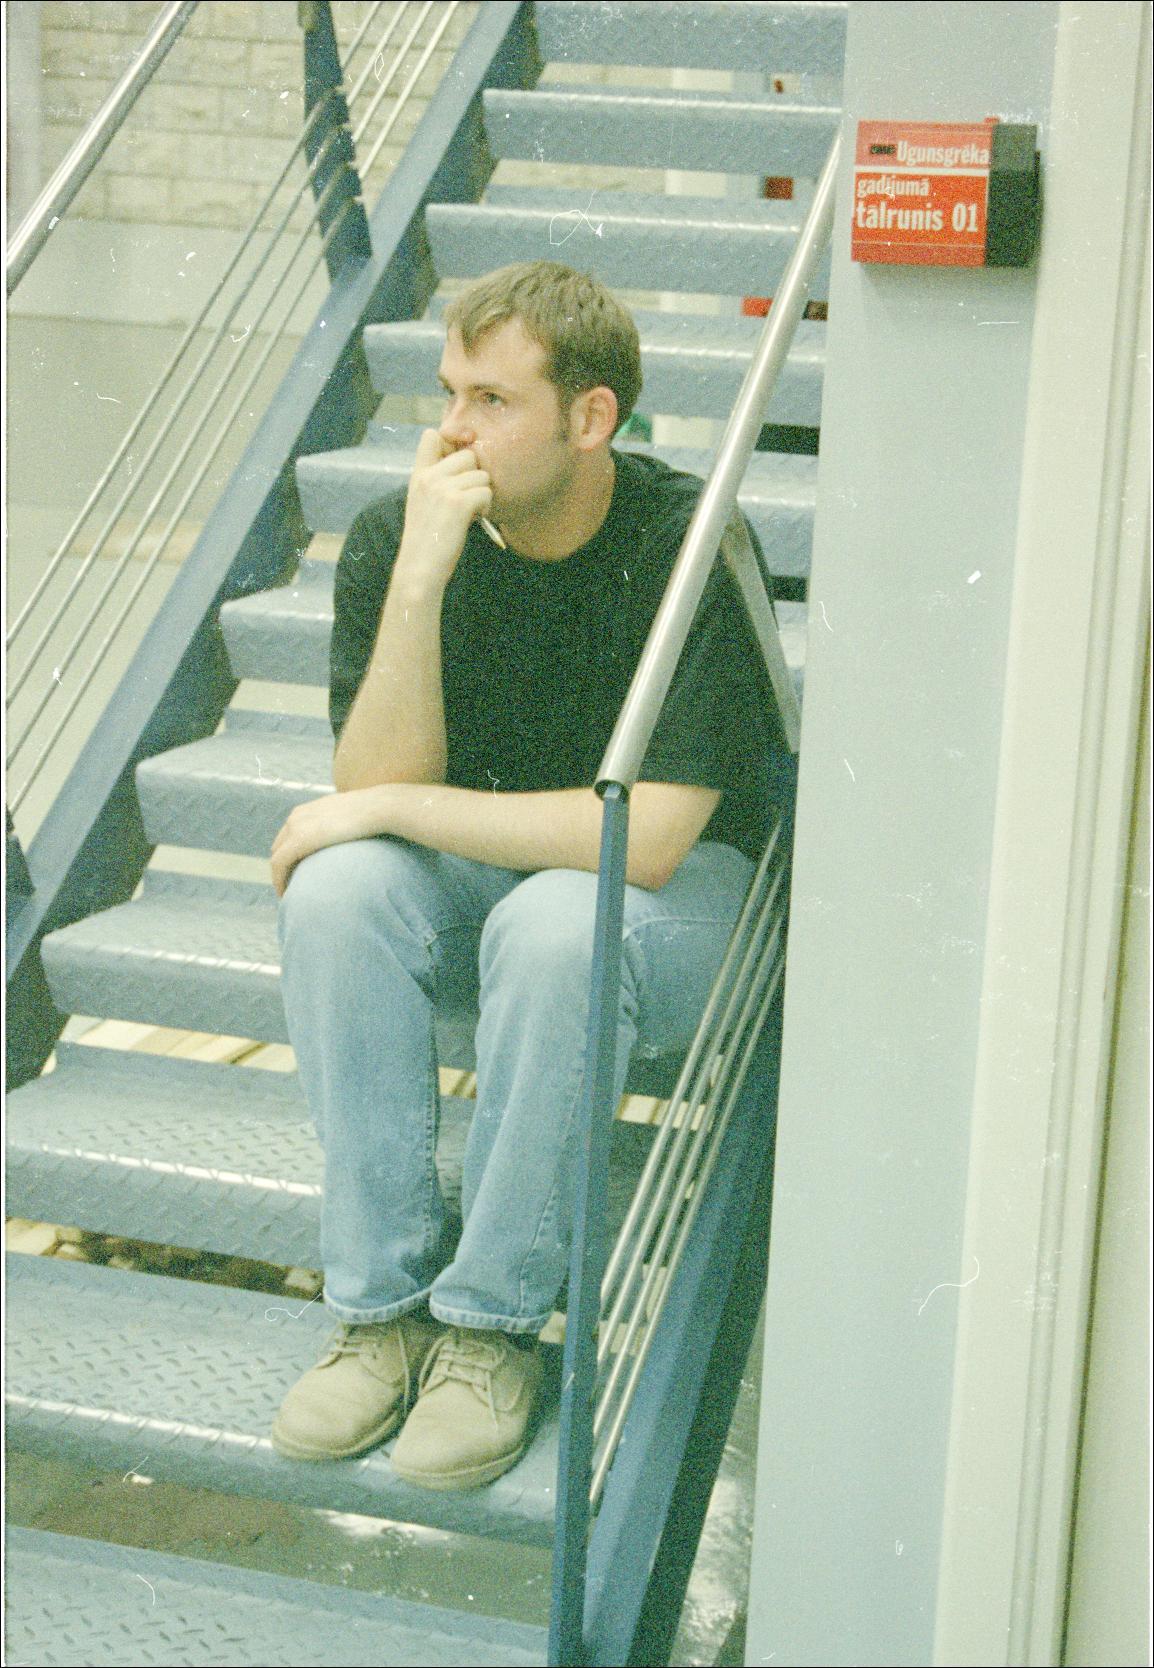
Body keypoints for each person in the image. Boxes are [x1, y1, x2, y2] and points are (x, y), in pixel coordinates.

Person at [268, 260, 792, 1491]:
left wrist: (386, 808)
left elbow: (647, 839)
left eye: (492, 401)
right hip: (493, 889)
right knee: (339, 895)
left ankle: (493, 1328)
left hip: (681, 909)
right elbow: (372, 775)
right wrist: (418, 578)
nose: (452, 428)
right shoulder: (406, 533)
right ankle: (380, 1309)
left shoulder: (687, 540)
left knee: (562, 921)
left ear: (590, 416)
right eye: (449, 392)